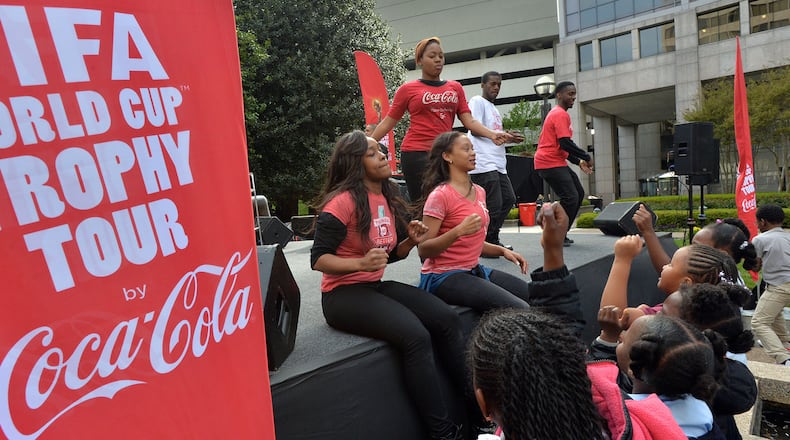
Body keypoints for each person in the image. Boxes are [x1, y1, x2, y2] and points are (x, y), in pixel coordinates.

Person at [467, 202, 686, 439]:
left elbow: (562, 342)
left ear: (484, 404)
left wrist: (552, 250)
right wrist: (553, 249)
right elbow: (561, 341)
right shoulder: (624, 425)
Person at [310, 130, 466, 440]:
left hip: (372, 285)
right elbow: (319, 259)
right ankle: (443, 432)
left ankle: (477, 411)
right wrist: (359, 264)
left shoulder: (388, 197)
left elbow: (390, 255)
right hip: (341, 295)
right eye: (372, 153)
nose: (382, 155)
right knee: (416, 336)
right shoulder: (341, 203)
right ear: (354, 162)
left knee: (447, 319)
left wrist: (411, 240)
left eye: (381, 150)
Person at [370, 36, 507, 201]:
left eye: (441, 56)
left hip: (446, 155)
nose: (438, 60)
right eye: (432, 56)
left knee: (450, 201)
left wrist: (492, 134)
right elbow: (388, 122)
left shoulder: (455, 88)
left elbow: (469, 121)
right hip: (416, 154)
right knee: (423, 204)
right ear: (420, 60)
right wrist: (367, 144)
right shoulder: (408, 89)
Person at [417, 131, 532, 313]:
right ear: (447, 156)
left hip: (474, 269)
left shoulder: (479, 191)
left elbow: (473, 241)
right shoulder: (440, 196)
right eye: (466, 149)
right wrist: (457, 231)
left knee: (533, 294)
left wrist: (502, 251)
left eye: (472, 148)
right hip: (443, 275)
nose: (473, 153)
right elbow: (424, 249)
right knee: (519, 308)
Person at [468, 71, 524, 251]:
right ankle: (482, 243)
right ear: (483, 85)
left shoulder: (494, 109)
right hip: (484, 162)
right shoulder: (477, 101)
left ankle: (491, 239)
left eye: (499, 84)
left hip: (498, 163)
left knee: (508, 199)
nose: (496, 87)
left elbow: (495, 135)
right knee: (494, 203)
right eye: (492, 84)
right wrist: (505, 136)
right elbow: (474, 128)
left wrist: (509, 137)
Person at [633, 206, 759, 286]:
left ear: (722, 254)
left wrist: (648, 232)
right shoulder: (723, 275)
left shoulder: (712, 285)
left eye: (696, 246)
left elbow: (666, 272)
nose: (689, 249)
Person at [534, 81, 593, 246]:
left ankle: (559, 231)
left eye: (574, 94)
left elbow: (562, 146)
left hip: (555, 161)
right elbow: (565, 142)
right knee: (571, 196)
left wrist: (578, 160)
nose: (573, 97)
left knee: (578, 194)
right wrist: (586, 156)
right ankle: (555, 231)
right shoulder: (559, 114)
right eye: (570, 94)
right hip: (548, 162)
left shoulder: (560, 114)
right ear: (559, 95)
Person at [751, 203, 790, 366]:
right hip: (783, 284)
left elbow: (756, 265)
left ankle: (783, 359)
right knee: (774, 315)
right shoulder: (788, 236)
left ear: (763, 222)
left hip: (779, 285)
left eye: (757, 222)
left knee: (759, 322)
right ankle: (786, 345)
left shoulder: (760, 239)